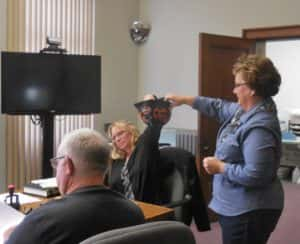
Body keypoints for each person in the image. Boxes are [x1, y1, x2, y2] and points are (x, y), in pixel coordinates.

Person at [165, 54, 284, 244]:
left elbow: (256, 174)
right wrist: (185, 100)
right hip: (237, 205)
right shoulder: (245, 109)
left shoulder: (259, 127)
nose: (233, 89)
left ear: (252, 89)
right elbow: (218, 107)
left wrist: (220, 167)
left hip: (250, 210)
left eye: (237, 85)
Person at [4, 128, 145, 244]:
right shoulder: (134, 212)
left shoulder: (44, 219)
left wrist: (8, 237)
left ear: (67, 165)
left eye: (56, 163)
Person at [106, 95, 163, 203]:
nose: (117, 139)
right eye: (114, 138)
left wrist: (149, 103)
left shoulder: (144, 145)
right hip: (123, 208)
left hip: (148, 207)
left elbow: (155, 124)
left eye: (120, 133)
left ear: (131, 131)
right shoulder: (117, 160)